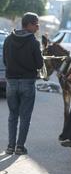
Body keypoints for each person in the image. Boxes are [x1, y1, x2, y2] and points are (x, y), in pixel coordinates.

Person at [3, 12, 43, 155]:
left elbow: (5, 61)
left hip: (11, 82)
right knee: (25, 116)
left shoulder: (8, 39)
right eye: (36, 24)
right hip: (27, 83)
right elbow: (39, 64)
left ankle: (10, 146)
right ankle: (20, 147)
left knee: (13, 115)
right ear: (30, 25)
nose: (38, 27)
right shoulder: (34, 42)